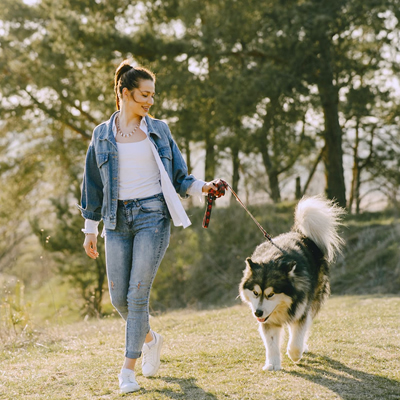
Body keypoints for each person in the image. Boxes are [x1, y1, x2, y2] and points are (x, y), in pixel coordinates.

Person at [78, 60, 224, 393]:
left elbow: (180, 177)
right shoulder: (101, 135)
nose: (150, 102)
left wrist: (205, 187)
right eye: (144, 95)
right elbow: (92, 185)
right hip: (116, 221)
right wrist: (90, 229)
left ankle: (126, 372)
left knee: (137, 295)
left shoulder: (159, 130)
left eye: (153, 96)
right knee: (119, 299)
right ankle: (150, 339)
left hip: (152, 217)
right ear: (125, 93)